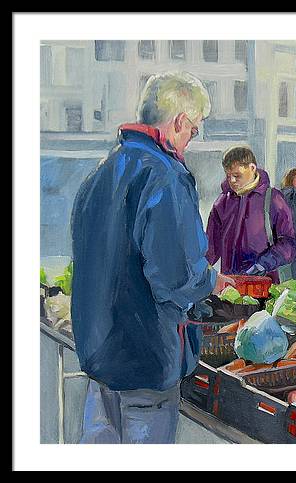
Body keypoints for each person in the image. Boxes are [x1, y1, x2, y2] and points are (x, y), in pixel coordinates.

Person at [70, 72, 233, 444]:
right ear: (179, 122)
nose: (190, 141)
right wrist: (210, 281)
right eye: (193, 131)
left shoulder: (100, 174)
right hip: (145, 362)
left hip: (100, 359)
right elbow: (176, 278)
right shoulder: (165, 176)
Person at [206, 146, 296, 283]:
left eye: (237, 176)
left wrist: (263, 264)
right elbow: (211, 246)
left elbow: (289, 244)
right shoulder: (222, 203)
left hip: (264, 285)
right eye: (228, 175)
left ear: (252, 168)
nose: (231, 181)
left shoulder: (273, 199)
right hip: (230, 285)